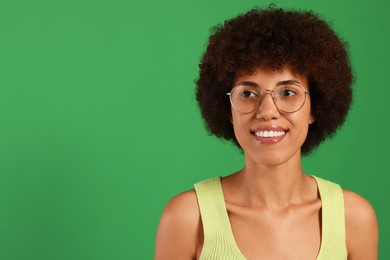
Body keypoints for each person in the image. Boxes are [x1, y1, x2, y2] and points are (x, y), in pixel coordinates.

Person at [155, 7, 378, 260]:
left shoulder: (354, 218)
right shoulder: (187, 218)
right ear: (228, 109)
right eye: (248, 94)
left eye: (288, 92)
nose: (267, 111)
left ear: (314, 107)